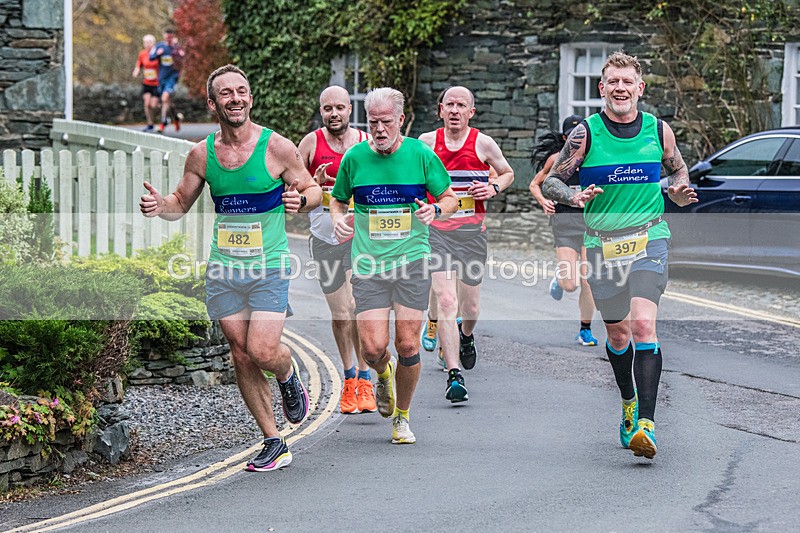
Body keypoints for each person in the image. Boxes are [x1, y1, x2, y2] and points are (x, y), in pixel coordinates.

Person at [139, 64, 322, 471]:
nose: (235, 98)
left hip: (269, 266)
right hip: (224, 269)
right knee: (240, 354)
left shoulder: (276, 148)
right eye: (226, 93)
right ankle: (274, 440)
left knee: (262, 350)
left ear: (250, 99)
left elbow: (313, 189)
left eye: (242, 91)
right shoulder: (202, 154)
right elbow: (180, 202)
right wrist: (159, 207)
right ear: (212, 102)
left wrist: (301, 201)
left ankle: (287, 372)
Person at [542, 51, 697, 460]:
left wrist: (678, 189)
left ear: (640, 88)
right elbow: (553, 180)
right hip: (602, 244)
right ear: (602, 88)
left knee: (644, 323)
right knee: (618, 333)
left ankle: (646, 424)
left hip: (649, 237)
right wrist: (573, 195)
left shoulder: (658, 130)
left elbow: (678, 168)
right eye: (613, 82)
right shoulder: (586, 135)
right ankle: (628, 401)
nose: (621, 88)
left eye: (628, 82)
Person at [330, 87, 457, 444]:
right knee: (372, 349)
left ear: (401, 120)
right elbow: (338, 201)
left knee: (407, 344)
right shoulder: (354, 158)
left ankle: (401, 416)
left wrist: (436, 209)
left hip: (412, 260)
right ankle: (382, 375)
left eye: (386, 122)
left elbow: (449, 198)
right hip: (368, 263)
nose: (380, 130)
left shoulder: (420, 154)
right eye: (373, 123)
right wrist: (339, 218)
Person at [418, 86, 514, 403]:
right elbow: (411, 176)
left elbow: (508, 173)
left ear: (471, 112)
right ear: (440, 109)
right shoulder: (427, 143)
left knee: (470, 308)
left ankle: (466, 336)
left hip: (472, 234)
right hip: (437, 232)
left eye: (462, 105)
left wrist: (493, 187)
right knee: (446, 301)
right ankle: (454, 374)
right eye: (450, 104)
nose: (455, 110)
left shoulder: (483, 143)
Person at [298, 86, 375, 415]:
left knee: (358, 307)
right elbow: (294, 192)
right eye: (327, 108)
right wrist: (312, 186)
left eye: (340, 108)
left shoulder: (364, 143)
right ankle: (347, 377)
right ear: (321, 110)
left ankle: (365, 377)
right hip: (325, 239)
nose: (334, 114)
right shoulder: (310, 144)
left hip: (359, 239)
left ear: (349, 110)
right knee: (342, 313)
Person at [529, 114, 599, 347]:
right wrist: (543, 201)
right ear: (565, 138)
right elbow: (535, 184)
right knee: (571, 284)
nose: (576, 142)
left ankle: (585, 330)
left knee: (589, 280)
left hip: (591, 225)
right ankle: (560, 280)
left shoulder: (595, 159)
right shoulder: (556, 160)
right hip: (565, 225)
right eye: (571, 137)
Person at [149, 28, 185, 133]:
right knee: (167, 101)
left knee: (165, 98)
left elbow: (182, 57)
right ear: (164, 36)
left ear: (173, 36)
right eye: (166, 36)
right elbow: (151, 57)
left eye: (170, 36)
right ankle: (176, 118)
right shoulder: (159, 46)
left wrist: (176, 49)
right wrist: (157, 54)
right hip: (161, 78)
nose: (168, 38)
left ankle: (163, 123)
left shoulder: (176, 48)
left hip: (172, 77)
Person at [132, 34, 160, 132]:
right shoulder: (142, 54)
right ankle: (150, 123)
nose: (147, 45)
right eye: (146, 43)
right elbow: (138, 65)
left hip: (157, 83)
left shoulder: (157, 54)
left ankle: (163, 118)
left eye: (149, 43)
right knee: (147, 104)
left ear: (153, 43)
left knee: (154, 105)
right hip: (147, 83)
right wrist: (136, 71)